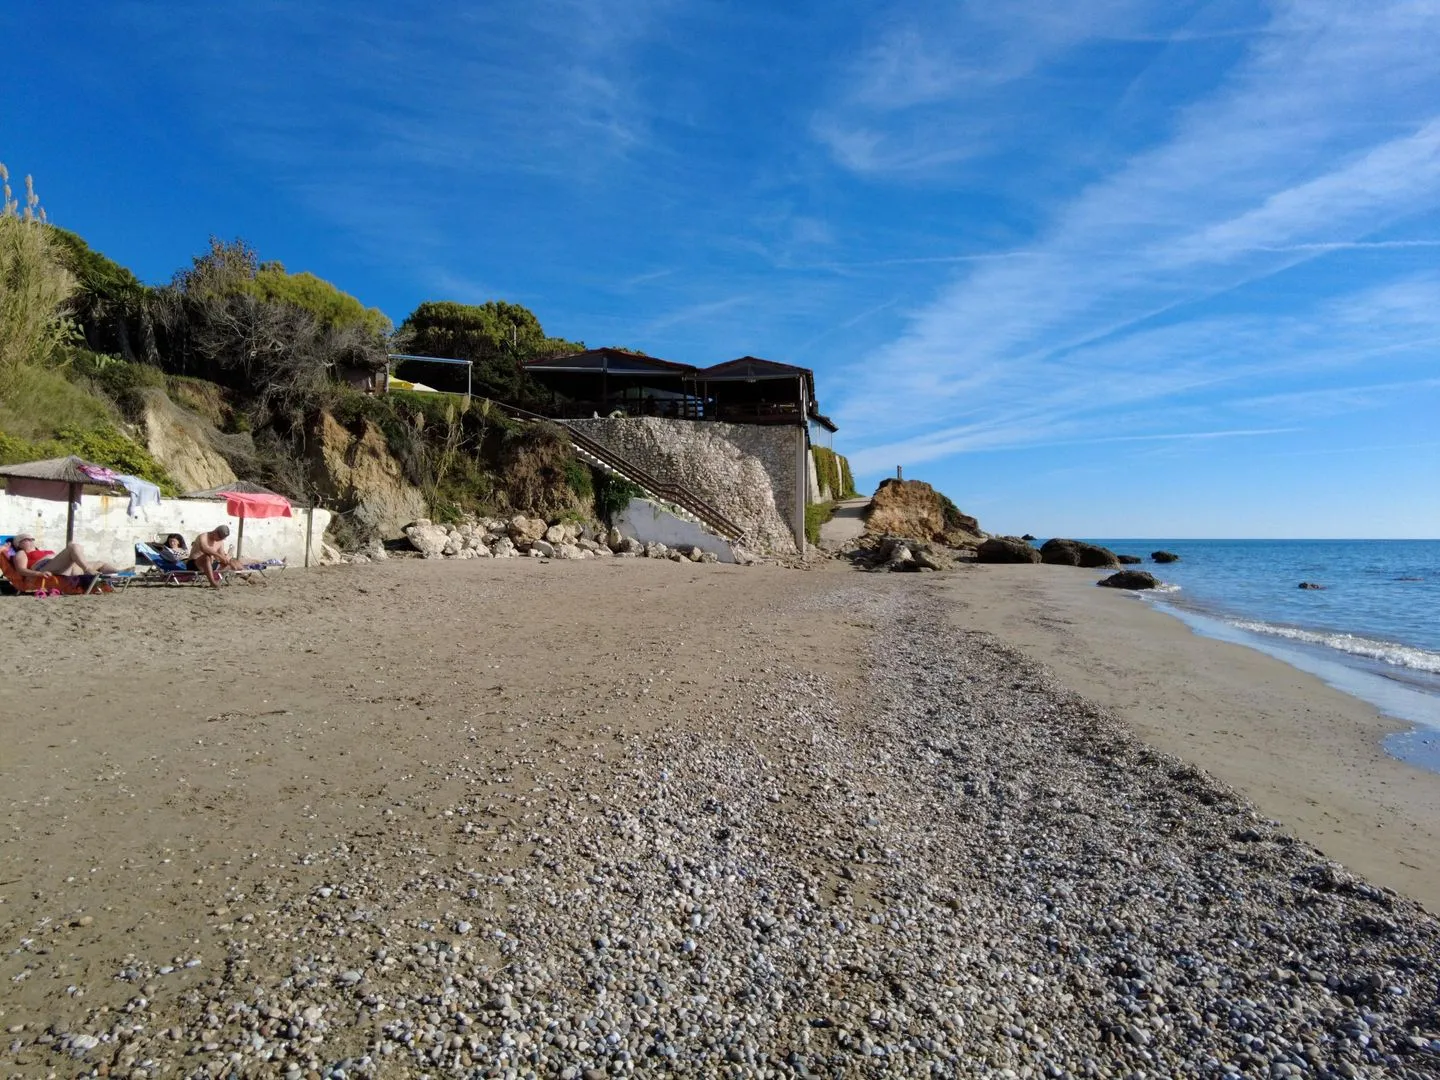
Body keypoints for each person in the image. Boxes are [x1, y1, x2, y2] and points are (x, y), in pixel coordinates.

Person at [6, 534, 120, 581]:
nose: (30, 541)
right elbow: (21, 570)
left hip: (64, 568)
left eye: (31, 539)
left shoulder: (42, 551)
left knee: (100, 563)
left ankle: (120, 574)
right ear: (18, 544)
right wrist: (39, 574)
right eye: (26, 539)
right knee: (73, 547)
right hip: (44, 568)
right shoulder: (21, 553)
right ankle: (87, 569)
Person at [189, 524, 256, 588]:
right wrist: (219, 556)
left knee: (234, 562)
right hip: (194, 563)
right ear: (215, 532)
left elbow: (220, 557)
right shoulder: (203, 536)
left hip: (210, 565)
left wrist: (228, 560)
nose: (220, 539)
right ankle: (213, 583)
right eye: (220, 537)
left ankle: (246, 578)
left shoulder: (220, 542)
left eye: (222, 538)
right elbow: (204, 548)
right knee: (206, 557)